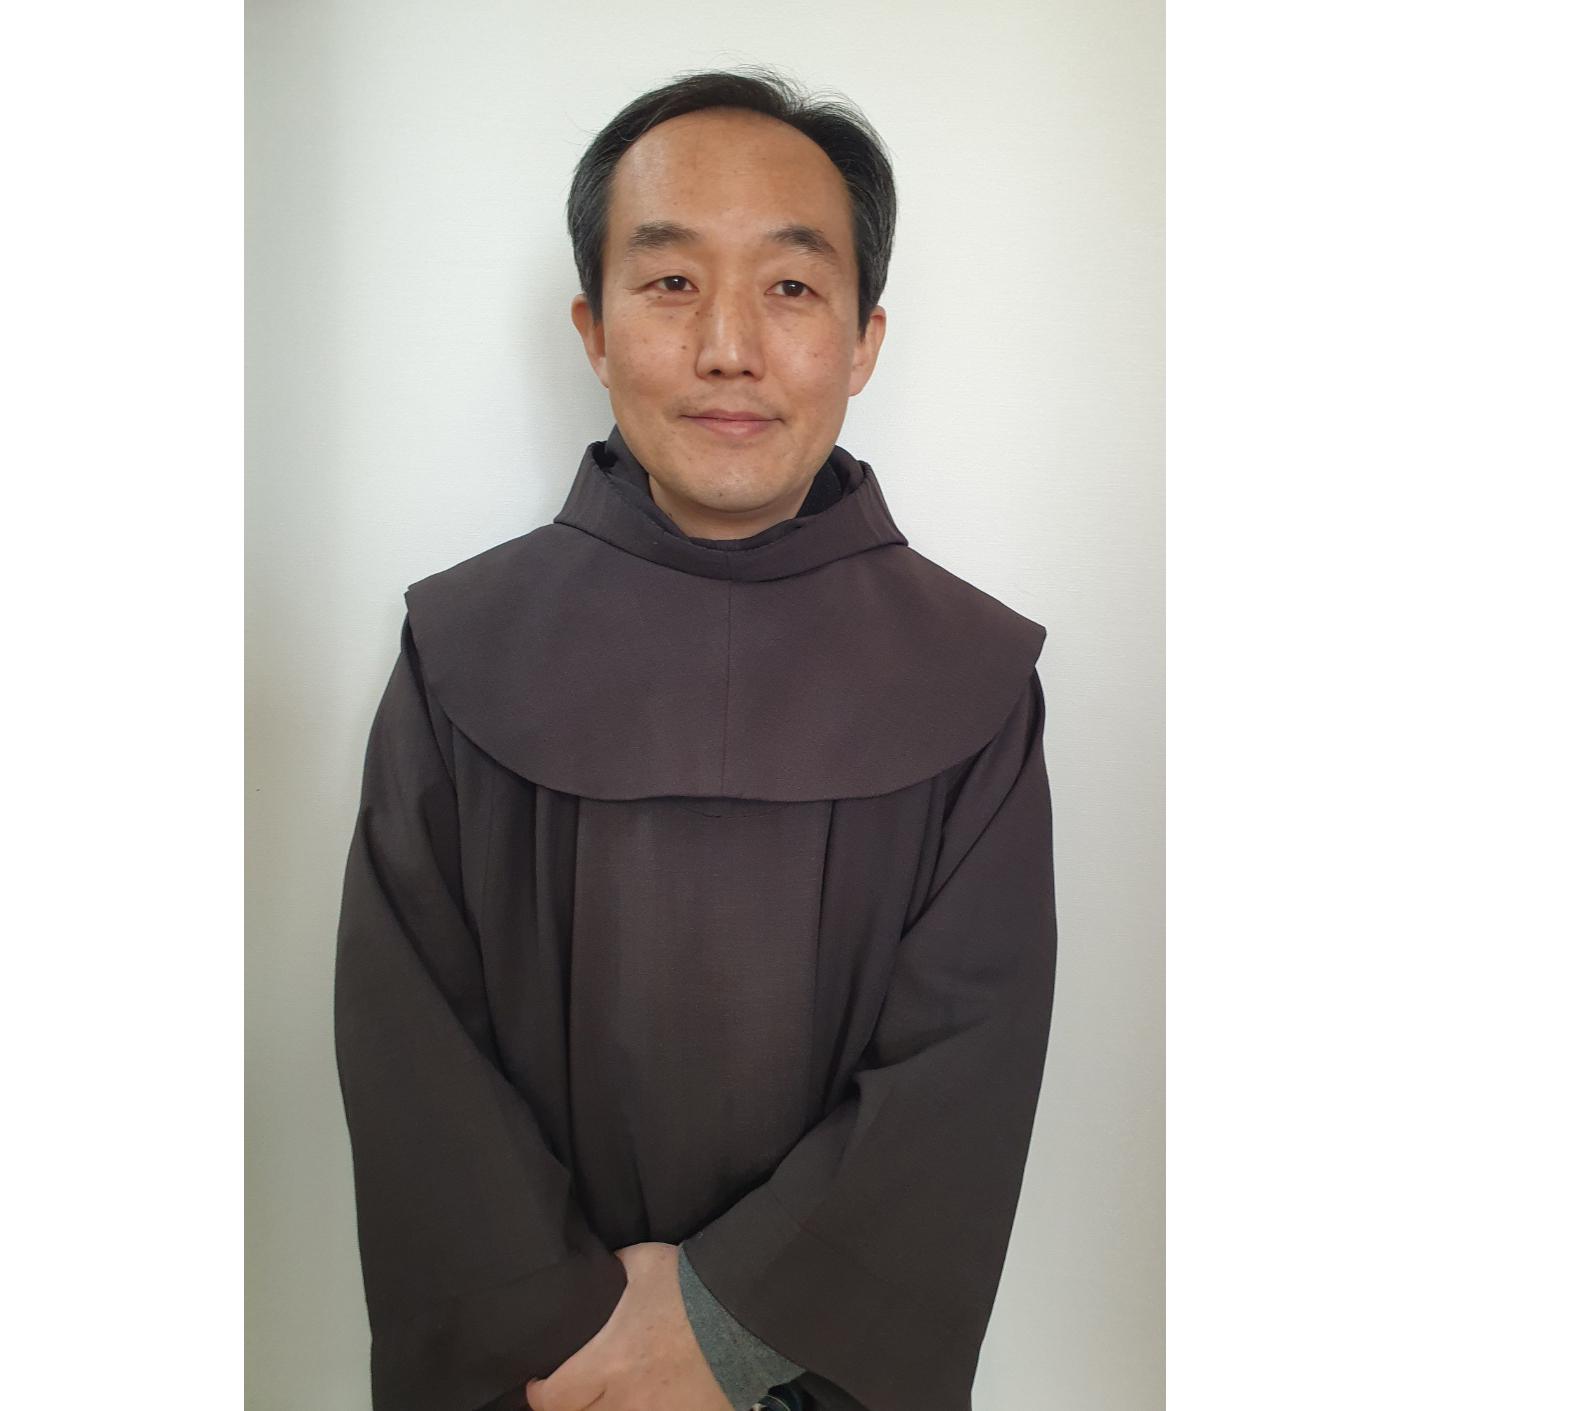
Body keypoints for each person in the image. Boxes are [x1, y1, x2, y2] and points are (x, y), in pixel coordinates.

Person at [333, 69, 1056, 1411]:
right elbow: (409, 1049)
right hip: (546, 1382)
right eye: (670, 282)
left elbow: (964, 1067)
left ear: (864, 339)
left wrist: (727, 1335)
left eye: (789, 286)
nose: (729, 345)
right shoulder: (459, 649)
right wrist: (574, 1338)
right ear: (593, 330)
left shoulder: (974, 678)